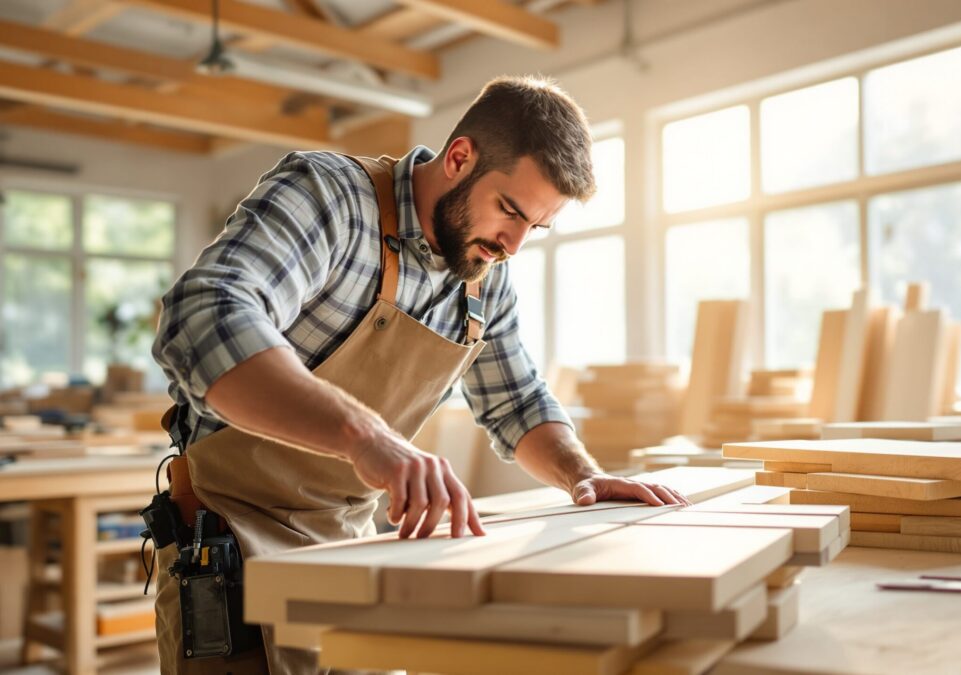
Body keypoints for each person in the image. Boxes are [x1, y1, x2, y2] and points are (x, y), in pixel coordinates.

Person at [150, 75, 688, 674]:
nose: (513, 244)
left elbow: (516, 402)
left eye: (535, 228)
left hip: (352, 542)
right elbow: (203, 315)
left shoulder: (483, 274)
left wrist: (583, 475)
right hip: (228, 539)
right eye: (509, 210)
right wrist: (366, 437)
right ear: (459, 158)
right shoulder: (330, 196)